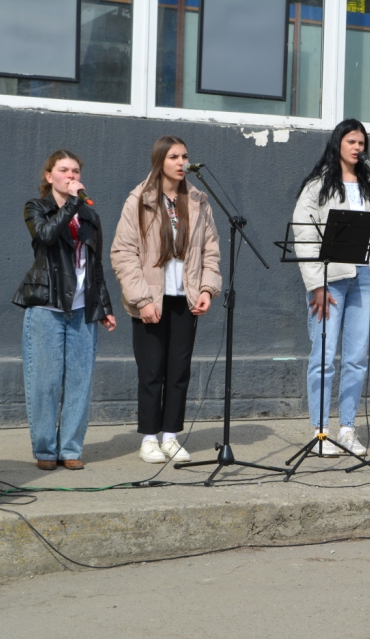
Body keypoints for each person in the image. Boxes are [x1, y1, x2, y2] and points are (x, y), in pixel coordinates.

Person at [111, 136, 221, 463]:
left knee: (178, 371)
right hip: (151, 298)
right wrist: (142, 299)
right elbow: (123, 252)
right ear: (160, 161)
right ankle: (149, 438)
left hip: (185, 299)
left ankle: (171, 436)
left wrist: (206, 289)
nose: (182, 162)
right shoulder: (139, 200)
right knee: (151, 370)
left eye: (185, 156)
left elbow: (211, 250)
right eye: (174, 156)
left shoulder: (198, 201)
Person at [291, 119, 370, 456]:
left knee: (356, 358)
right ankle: (321, 433)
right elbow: (305, 237)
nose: (357, 148)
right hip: (330, 280)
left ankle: (348, 429)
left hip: (366, 278)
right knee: (323, 356)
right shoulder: (317, 187)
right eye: (351, 141)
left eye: (361, 143)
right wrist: (316, 285)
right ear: (338, 143)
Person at [13, 150, 117, 471]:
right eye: (63, 170)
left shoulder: (90, 216)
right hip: (46, 308)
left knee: (79, 383)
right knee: (44, 383)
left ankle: (71, 448)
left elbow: (94, 266)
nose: (70, 175)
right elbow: (46, 235)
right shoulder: (36, 207)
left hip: (83, 309)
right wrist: (71, 203)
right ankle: (45, 450)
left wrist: (104, 306)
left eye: (75, 170)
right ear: (49, 177)